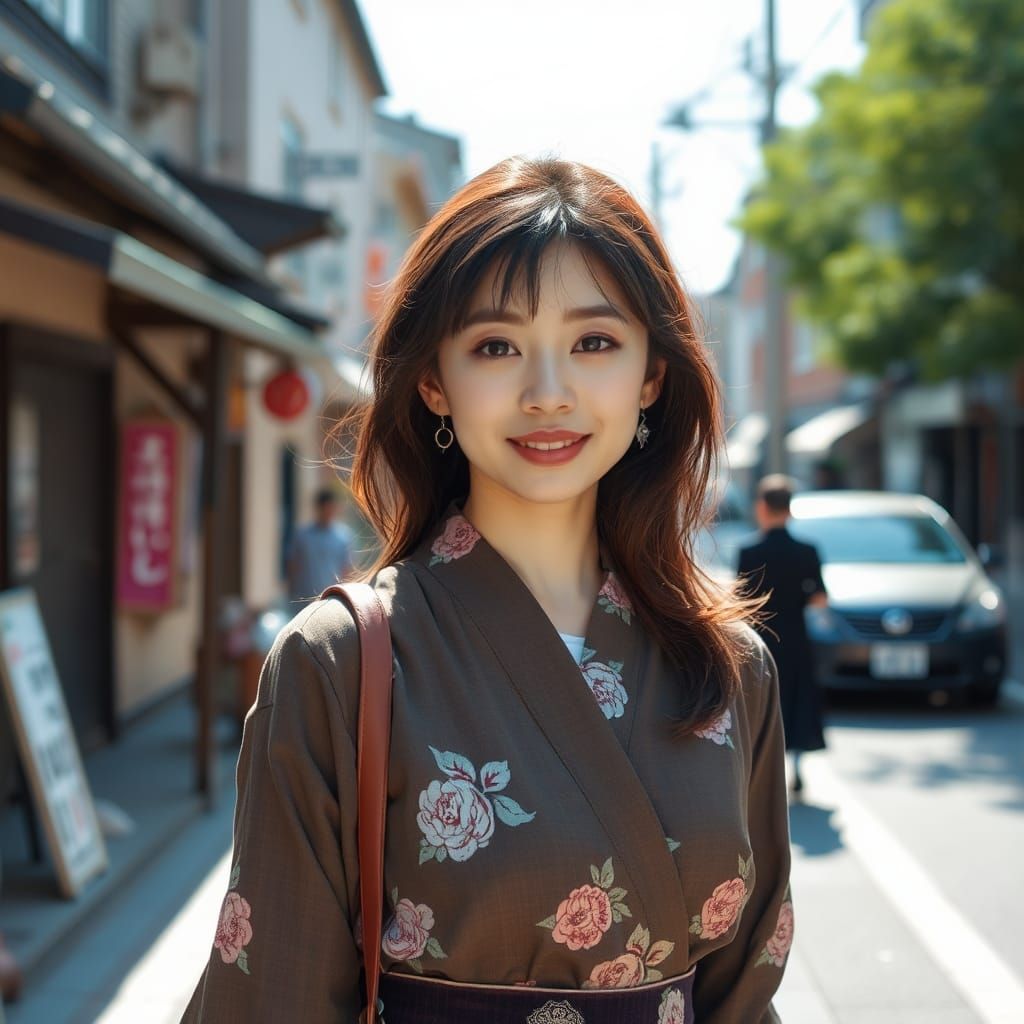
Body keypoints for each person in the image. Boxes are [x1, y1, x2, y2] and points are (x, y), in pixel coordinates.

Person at [183, 158, 793, 1023]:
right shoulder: (342, 662)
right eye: (496, 347)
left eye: (594, 342)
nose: (548, 394)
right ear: (434, 378)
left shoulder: (733, 666)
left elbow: (748, 992)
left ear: (652, 374)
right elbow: (270, 997)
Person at [737, 475, 828, 795]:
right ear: (789, 509)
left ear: (762, 507)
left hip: (760, 638)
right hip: (797, 636)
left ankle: (759, 772)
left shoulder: (750, 551)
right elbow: (820, 598)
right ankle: (798, 767)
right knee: (797, 698)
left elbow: (741, 601)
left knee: (762, 700)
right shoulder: (807, 551)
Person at [285, 488, 355, 606]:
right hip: (304, 599)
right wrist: (290, 592)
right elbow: (292, 565)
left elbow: (347, 569)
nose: (328, 512)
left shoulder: (343, 537)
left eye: (331, 507)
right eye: (325, 508)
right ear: (318, 508)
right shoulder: (302, 535)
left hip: (332, 600)